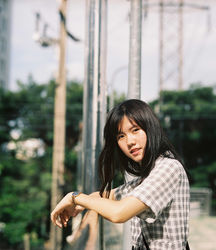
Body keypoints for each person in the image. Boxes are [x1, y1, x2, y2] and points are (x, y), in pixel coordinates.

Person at [51, 99, 190, 250]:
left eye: (135, 130)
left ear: (151, 128)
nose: (129, 141)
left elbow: (118, 213)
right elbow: (109, 195)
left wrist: (75, 196)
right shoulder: (146, 177)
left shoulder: (168, 168)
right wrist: (80, 204)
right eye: (121, 136)